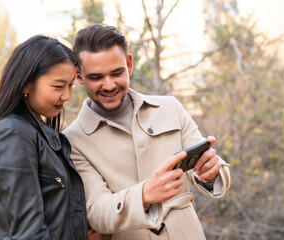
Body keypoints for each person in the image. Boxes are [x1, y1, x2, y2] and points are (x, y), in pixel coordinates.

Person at [63, 24, 231, 240]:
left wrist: (210, 172)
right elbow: (95, 211)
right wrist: (144, 195)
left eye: (117, 73)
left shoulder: (170, 108)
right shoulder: (72, 140)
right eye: (96, 77)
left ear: (129, 64)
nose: (109, 85)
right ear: (78, 76)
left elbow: (216, 173)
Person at [0, 35, 93, 240]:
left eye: (70, 85)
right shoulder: (13, 134)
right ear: (26, 85)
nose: (67, 95)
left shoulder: (32, 132)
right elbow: (29, 233)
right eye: (58, 86)